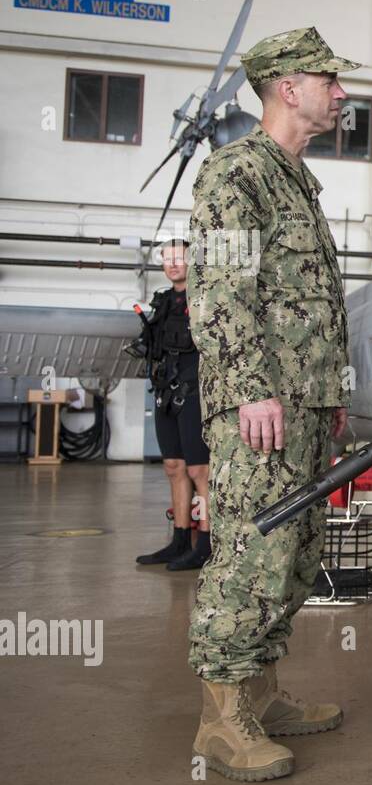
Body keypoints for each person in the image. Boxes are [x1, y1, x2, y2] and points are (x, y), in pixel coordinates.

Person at [185, 27, 357, 782]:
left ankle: (259, 691)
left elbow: (314, 307)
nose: (342, 91)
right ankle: (221, 723)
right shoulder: (237, 173)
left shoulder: (297, 181)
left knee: (294, 557)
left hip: (307, 407)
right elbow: (222, 291)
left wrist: (333, 397)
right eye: (330, 79)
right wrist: (251, 385)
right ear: (288, 87)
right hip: (259, 407)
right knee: (250, 559)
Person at [134, 236, 211, 571]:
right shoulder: (163, 302)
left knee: (200, 471)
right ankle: (179, 539)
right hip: (166, 393)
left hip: (195, 394)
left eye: (180, 258)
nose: (173, 264)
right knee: (173, 468)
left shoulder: (207, 300)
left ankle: (206, 544)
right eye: (167, 259)